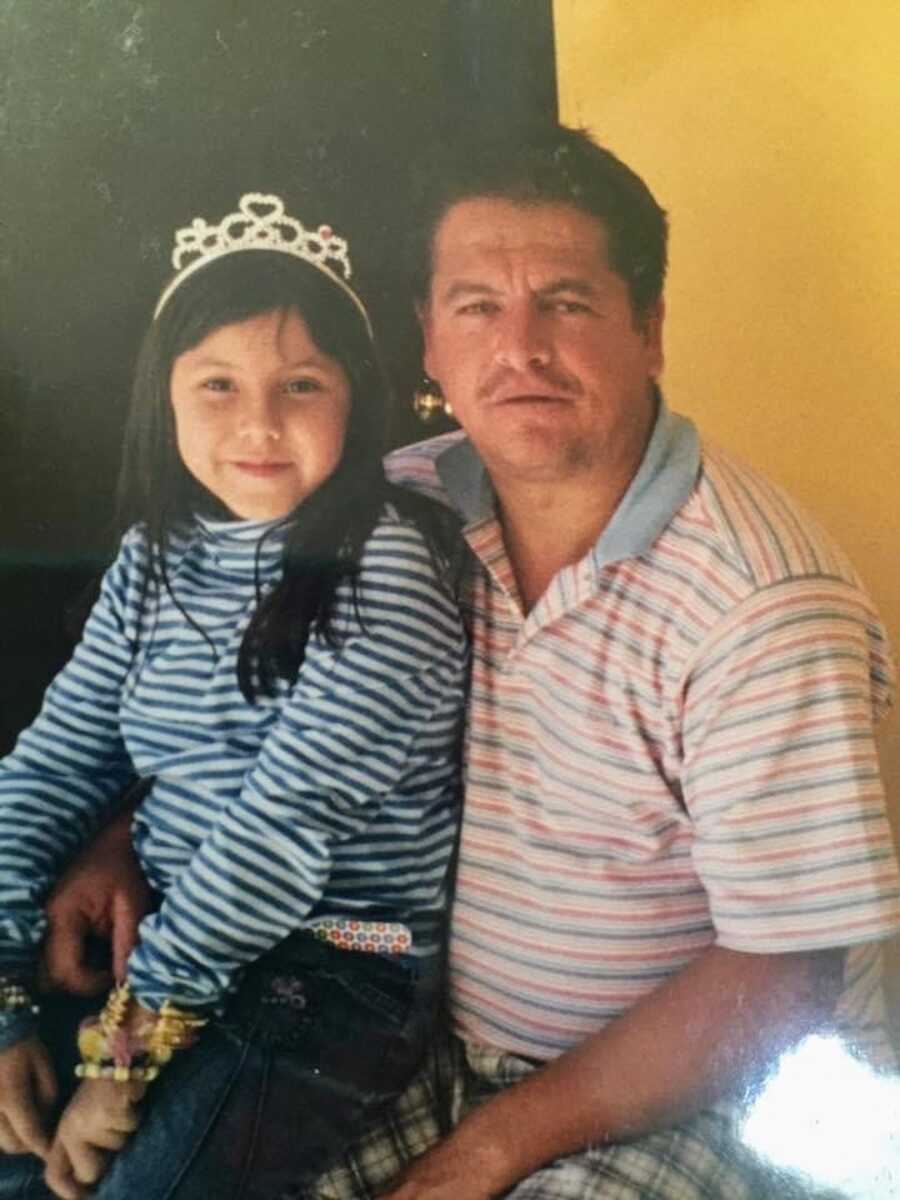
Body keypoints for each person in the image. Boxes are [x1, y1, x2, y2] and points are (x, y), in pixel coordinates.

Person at [46, 127, 900, 1200]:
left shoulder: (759, 602)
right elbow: (257, 738)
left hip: (721, 1094)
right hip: (430, 1055)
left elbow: (784, 975)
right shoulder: (386, 510)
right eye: (477, 308)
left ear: (652, 329)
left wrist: (491, 1152)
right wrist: (120, 840)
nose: (522, 349)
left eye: (569, 303)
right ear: (429, 346)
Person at [0, 192, 468, 1200]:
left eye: (302, 383)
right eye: (217, 383)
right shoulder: (153, 560)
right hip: (178, 951)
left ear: (359, 396)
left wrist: (121, 1061)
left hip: (338, 969)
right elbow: (53, 765)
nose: (258, 422)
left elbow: (281, 828)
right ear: (163, 396)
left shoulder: (383, 559)